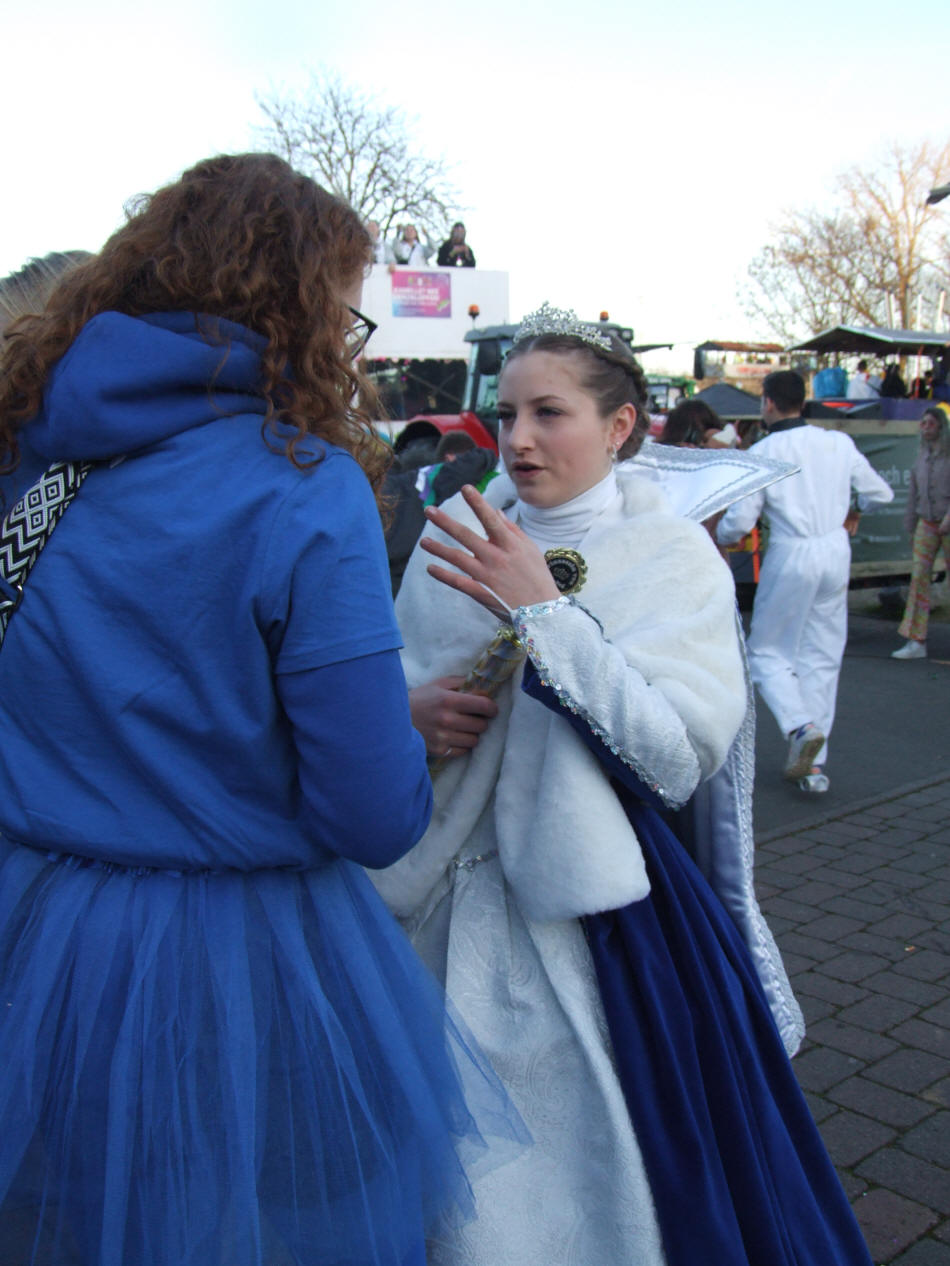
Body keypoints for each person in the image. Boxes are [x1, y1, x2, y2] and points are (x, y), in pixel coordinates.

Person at [0, 153, 524, 1266]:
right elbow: (372, 814)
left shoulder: (27, 458)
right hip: (223, 945)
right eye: (348, 309)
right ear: (297, 303)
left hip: (29, 917)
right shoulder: (298, 475)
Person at [372, 306, 874, 1266]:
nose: (517, 439)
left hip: (591, 914)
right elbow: (395, 673)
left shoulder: (673, 554)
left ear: (620, 427)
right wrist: (409, 710)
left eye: (548, 413)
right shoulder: (453, 536)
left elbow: (676, 754)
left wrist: (547, 617)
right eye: (508, 413)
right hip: (428, 891)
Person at [718, 370, 894, 794]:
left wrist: (716, 534)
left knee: (766, 654)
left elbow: (738, 524)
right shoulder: (837, 442)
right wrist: (854, 510)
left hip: (793, 553)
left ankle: (800, 727)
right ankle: (814, 766)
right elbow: (880, 494)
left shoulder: (764, 452)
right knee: (822, 655)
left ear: (769, 404)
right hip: (835, 550)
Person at [891, 402, 950, 659]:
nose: (925, 428)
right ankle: (916, 640)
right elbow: (913, 493)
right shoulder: (921, 455)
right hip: (927, 522)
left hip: (948, 520)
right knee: (919, 579)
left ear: (940, 427)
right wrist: (910, 524)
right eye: (923, 423)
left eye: (931, 424)